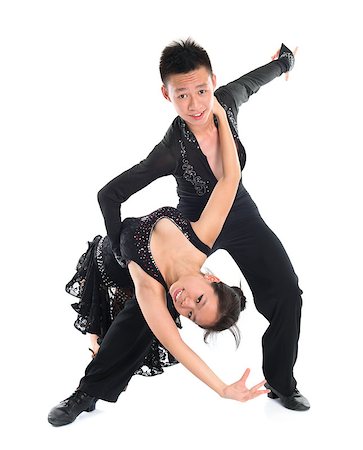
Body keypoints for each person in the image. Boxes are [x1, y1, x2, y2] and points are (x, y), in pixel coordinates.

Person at [49, 39, 310, 426]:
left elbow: (254, 81)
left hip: (237, 211)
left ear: (213, 82)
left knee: (287, 291)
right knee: (148, 305)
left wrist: (283, 62)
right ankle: (87, 392)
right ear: (166, 94)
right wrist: (125, 250)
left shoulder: (227, 101)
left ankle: (281, 382)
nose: (195, 104)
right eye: (182, 95)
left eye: (202, 91)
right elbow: (111, 194)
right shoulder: (170, 150)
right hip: (195, 225)